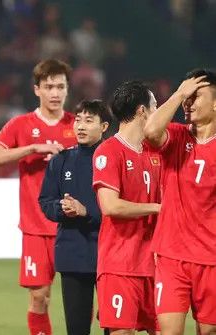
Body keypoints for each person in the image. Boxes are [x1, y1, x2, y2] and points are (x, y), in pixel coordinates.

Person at [0, 59, 77, 335]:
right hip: (36, 228)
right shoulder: (21, 125)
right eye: (49, 86)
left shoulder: (79, 125)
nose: (55, 93)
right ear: (36, 89)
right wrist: (32, 148)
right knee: (39, 298)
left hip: (74, 227)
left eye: (60, 86)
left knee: (82, 299)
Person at [143, 69, 216, 335]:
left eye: (197, 96)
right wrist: (178, 94)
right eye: (187, 96)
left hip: (211, 258)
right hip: (172, 256)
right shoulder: (176, 136)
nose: (189, 102)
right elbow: (150, 130)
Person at [92, 81, 162, 334]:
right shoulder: (108, 151)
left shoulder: (157, 152)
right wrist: (157, 208)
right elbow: (110, 206)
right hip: (120, 265)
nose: (159, 111)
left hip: (157, 265)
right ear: (142, 110)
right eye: (155, 106)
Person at [39, 100, 111, 334]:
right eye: (78, 120)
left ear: (104, 127)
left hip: (110, 257)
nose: (80, 126)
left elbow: (121, 208)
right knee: (77, 328)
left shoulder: (115, 159)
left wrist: (86, 211)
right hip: (73, 255)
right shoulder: (61, 160)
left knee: (116, 326)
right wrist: (62, 208)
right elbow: (46, 201)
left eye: (89, 121)